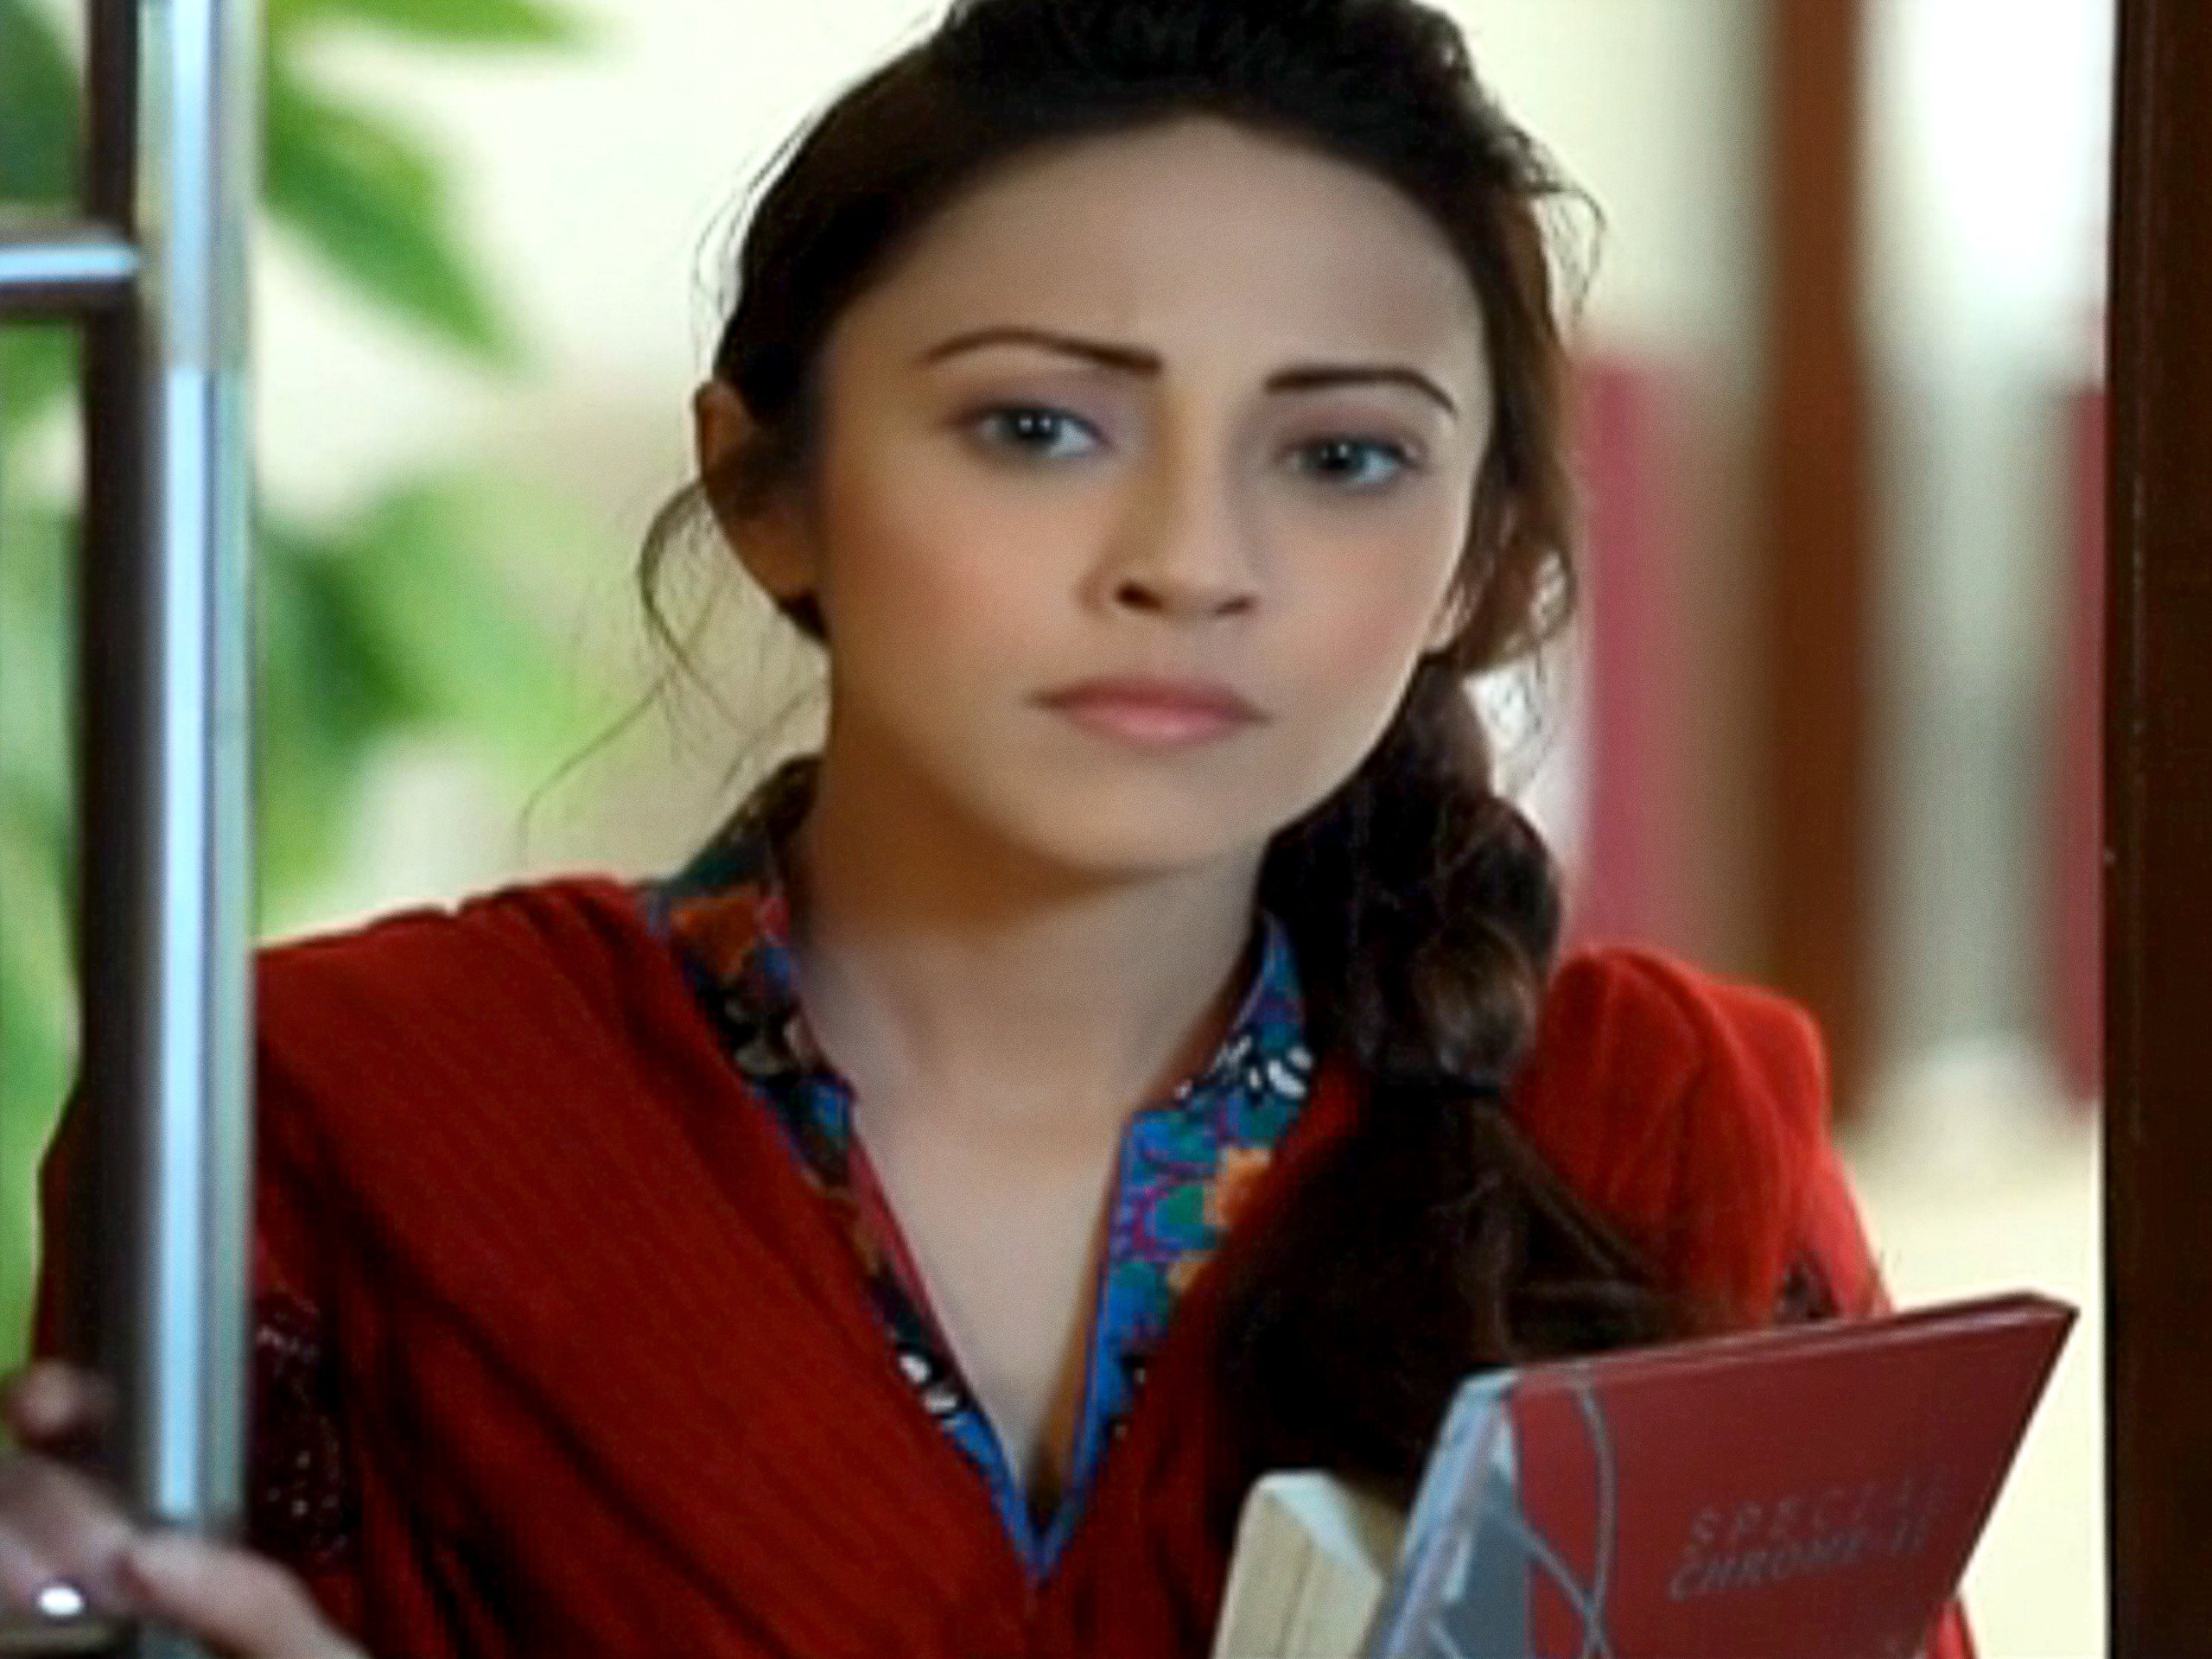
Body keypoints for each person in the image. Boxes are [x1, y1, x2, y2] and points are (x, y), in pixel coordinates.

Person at [0, 0, 1976, 1653]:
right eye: (1037, 427)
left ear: (1473, 559)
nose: (1189, 559)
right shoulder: (331, 1111)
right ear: (766, 489)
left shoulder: (1660, 1132)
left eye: (1342, 454)